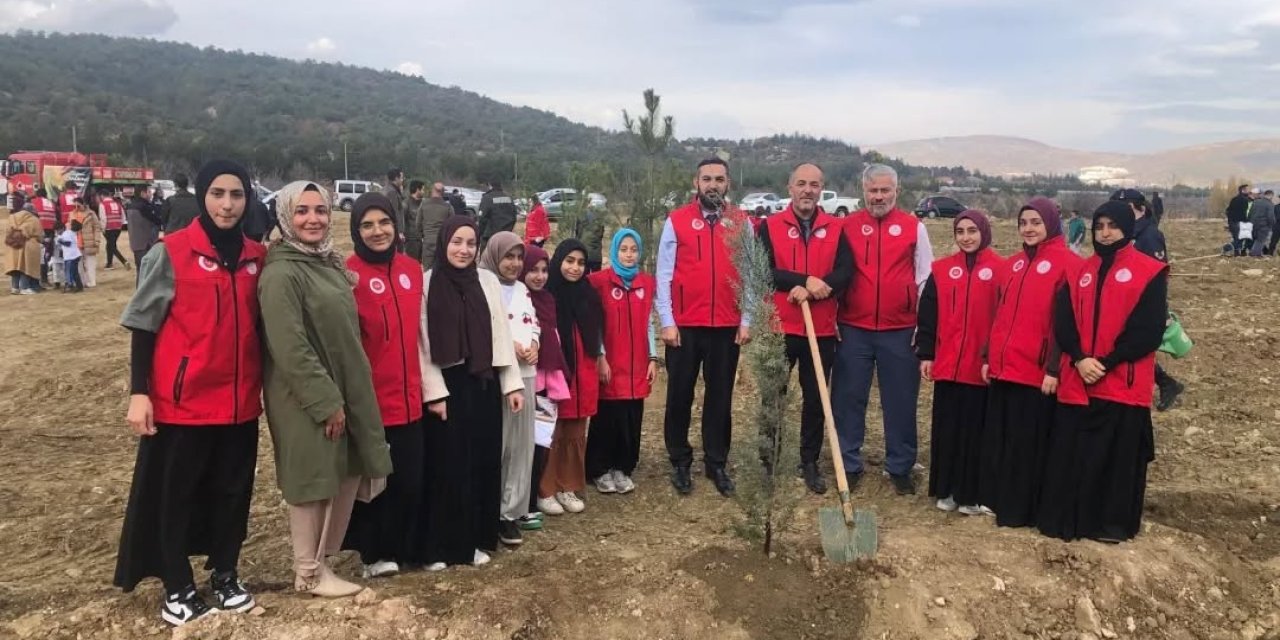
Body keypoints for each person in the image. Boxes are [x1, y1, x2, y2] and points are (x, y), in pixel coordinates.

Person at [114, 160, 266, 627]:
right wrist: (141, 392)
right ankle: (176, 585)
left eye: (236, 194)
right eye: (218, 193)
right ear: (202, 196)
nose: (227, 204)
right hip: (184, 404)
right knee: (174, 497)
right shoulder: (172, 252)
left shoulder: (257, 256)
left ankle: (225, 573)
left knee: (231, 493)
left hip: (239, 404)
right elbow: (144, 324)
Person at [259, 181, 392, 597]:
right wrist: (325, 400)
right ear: (285, 216)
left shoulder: (325, 263)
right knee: (312, 478)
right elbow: (290, 346)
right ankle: (308, 571)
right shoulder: (281, 272)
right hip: (305, 396)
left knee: (341, 472)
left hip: (343, 385)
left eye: (320, 210)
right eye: (302, 211)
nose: (313, 219)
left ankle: (323, 562)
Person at [1039, 200, 1167, 543]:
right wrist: (1080, 358)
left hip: (1121, 382)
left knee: (1116, 459)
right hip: (1079, 378)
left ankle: (1111, 525)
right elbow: (1063, 320)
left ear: (1127, 227)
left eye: (1113, 225)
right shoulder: (1079, 271)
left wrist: (1106, 363)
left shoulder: (1149, 271)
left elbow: (1148, 329)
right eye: (1100, 226)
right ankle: (1072, 520)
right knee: (1075, 456)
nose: (1105, 233)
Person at [417, 216, 526, 569]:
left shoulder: (487, 281)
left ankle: (475, 539)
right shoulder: (427, 283)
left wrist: (511, 383)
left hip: (482, 380)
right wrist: (434, 393)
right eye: (456, 242)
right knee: (447, 465)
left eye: (470, 243)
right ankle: (439, 546)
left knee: (481, 461)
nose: (464, 250)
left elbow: (499, 333)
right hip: (448, 386)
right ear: (444, 243)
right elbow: (422, 343)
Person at [832, 163, 934, 495]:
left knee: (901, 400)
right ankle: (848, 463)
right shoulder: (846, 226)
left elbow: (924, 279)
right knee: (848, 398)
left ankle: (900, 465)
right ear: (864, 191)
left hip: (900, 329)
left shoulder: (913, 227)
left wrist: (921, 326)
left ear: (896, 191)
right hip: (853, 327)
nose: (878, 197)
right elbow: (836, 274)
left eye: (884, 190)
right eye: (873, 190)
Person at [981, 196, 1083, 528]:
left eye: (1035, 223)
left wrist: (1053, 368)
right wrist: (988, 355)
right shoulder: (1011, 265)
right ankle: (1000, 500)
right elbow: (999, 315)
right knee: (1005, 441)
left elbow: (1065, 325)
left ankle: (1023, 509)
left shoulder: (1068, 264)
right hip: (1003, 367)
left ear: (1051, 223)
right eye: (1023, 223)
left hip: (1036, 372)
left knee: (1029, 445)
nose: (1028, 229)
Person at [340, 192, 425, 580]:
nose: (377, 232)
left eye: (384, 223)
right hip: (372, 401)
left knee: (410, 476)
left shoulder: (412, 270)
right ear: (357, 230)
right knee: (375, 483)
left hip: (412, 398)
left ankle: (409, 545)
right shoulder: (348, 275)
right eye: (367, 225)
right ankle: (375, 552)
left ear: (396, 225)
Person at [656, 158, 752, 497]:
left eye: (719, 179)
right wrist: (667, 321)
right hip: (685, 326)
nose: (713, 184)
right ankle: (680, 460)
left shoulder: (741, 222)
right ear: (696, 182)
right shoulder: (677, 221)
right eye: (707, 178)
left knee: (720, 397)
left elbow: (751, 274)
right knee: (680, 395)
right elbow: (664, 274)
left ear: (728, 184)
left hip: (726, 326)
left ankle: (716, 462)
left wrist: (747, 319)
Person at [756, 163, 853, 494]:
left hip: (820, 329)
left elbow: (845, 273)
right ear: (790, 187)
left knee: (815, 398)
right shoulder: (769, 226)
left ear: (821, 189)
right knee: (774, 397)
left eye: (814, 184)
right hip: (780, 327)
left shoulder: (837, 228)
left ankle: (808, 461)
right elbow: (766, 271)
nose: (807, 190)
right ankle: (769, 460)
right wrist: (802, 281)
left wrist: (814, 288)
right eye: (801, 183)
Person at [915, 211, 1003, 515]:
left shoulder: (1001, 271)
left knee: (976, 432)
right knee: (948, 429)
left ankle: (972, 493)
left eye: (972, 231)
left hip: (980, 368)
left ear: (984, 232)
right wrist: (926, 353)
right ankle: (948, 489)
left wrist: (992, 357)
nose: (966, 237)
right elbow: (927, 316)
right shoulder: (941, 270)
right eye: (960, 231)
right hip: (949, 365)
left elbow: (1004, 320)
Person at [586, 228, 659, 495]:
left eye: (633, 250)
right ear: (614, 251)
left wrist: (653, 357)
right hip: (611, 362)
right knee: (607, 417)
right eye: (623, 249)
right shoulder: (599, 282)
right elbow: (594, 323)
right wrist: (600, 355)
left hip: (637, 363)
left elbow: (649, 322)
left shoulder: (646, 283)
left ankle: (623, 466)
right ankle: (599, 468)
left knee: (631, 416)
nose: (629, 255)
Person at [477, 231, 540, 545]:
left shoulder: (523, 290)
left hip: (526, 373)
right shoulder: (482, 286)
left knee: (520, 446)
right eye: (508, 257)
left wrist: (535, 344)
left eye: (519, 257)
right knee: (497, 444)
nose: (514, 264)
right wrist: (508, 345)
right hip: (498, 373)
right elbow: (480, 327)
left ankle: (510, 513)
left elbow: (533, 322)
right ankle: (487, 508)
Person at [535, 239, 605, 514]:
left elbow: (597, 332)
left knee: (576, 428)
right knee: (552, 429)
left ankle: (568, 485)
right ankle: (546, 488)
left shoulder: (588, 293)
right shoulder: (548, 293)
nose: (575, 268)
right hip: (556, 372)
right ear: (559, 261)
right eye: (569, 261)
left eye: (580, 263)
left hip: (583, 370)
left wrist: (600, 356)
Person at [1110, 189, 1183, 410]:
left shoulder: (1149, 235)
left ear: (1138, 208)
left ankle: (1163, 383)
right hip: (1123, 298)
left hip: (1141, 302)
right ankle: (1166, 382)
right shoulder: (1127, 233)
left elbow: (1156, 275)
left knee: (1137, 345)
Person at [520, 244, 569, 522]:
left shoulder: (548, 299)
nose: (539, 276)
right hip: (530, 377)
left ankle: (534, 497)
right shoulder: (520, 299)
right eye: (532, 270)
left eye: (543, 270)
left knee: (541, 440)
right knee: (523, 442)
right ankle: (521, 501)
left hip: (549, 379)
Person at [5, 202, 43, 294]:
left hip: (13, 245)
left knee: (15, 267)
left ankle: (15, 287)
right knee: (26, 267)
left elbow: (7, 232)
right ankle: (24, 287)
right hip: (28, 245)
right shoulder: (34, 219)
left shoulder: (11, 217)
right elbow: (39, 235)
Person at [127, 185, 163, 272]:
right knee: (146, 271)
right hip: (145, 244)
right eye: (149, 192)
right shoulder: (144, 207)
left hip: (135, 243)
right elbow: (157, 220)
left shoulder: (130, 206)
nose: (150, 194)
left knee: (140, 270)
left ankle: (139, 285)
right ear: (143, 193)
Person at [417, 182, 453, 266]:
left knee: (427, 269)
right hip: (442, 242)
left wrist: (423, 235)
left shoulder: (424, 204)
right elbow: (452, 225)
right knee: (442, 269)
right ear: (443, 192)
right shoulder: (448, 207)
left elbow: (418, 223)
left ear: (433, 190)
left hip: (428, 241)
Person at [478, 179, 518, 246]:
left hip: (490, 237)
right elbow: (514, 216)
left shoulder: (487, 198)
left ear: (490, 185)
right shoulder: (509, 198)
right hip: (506, 236)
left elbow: (482, 218)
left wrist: (481, 233)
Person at [99, 188, 131, 270]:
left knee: (112, 247)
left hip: (108, 228)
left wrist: (103, 228)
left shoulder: (102, 204)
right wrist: (119, 225)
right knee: (110, 245)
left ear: (102, 196)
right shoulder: (118, 204)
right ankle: (109, 264)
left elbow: (103, 218)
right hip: (117, 228)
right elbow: (123, 216)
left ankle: (124, 261)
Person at [32, 188, 58, 284]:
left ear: (37, 195)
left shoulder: (34, 201)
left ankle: (38, 279)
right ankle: (45, 279)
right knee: (46, 255)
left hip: (38, 231)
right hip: (50, 232)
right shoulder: (51, 203)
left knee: (39, 256)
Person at [77, 198, 102, 288]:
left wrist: (97, 240)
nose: (77, 207)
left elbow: (97, 227)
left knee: (90, 262)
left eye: (78, 205)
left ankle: (92, 280)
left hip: (90, 241)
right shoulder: (73, 214)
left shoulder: (91, 214)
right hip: (79, 241)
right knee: (80, 263)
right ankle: (83, 281)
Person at [1247, 188, 1275, 259]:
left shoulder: (1256, 202)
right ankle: (1255, 254)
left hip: (1253, 224)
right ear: (1271, 196)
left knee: (1256, 239)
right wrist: (1271, 224)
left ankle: (1255, 252)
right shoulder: (1270, 204)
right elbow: (1270, 216)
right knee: (1261, 240)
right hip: (1264, 225)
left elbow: (1250, 213)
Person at [381, 168, 407, 243]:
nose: (403, 180)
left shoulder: (386, 189)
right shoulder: (392, 192)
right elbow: (395, 212)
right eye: (401, 178)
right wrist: (399, 232)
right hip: (393, 231)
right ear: (396, 178)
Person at [57, 220, 84, 293]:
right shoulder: (72, 233)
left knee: (69, 272)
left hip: (70, 256)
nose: (67, 223)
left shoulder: (67, 233)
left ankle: (70, 285)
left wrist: (60, 241)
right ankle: (79, 286)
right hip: (75, 255)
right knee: (75, 272)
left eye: (69, 223)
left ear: (71, 226)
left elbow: (68, 243)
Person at [403, 179, 426, 261]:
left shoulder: (424, 203)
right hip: (411, 241)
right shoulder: (406, 204)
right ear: (417, 190)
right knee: (412, 263)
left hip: (423, 240)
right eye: (422, 189)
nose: (424, 192)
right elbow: (402, 222)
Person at [1227, 183, 1252, 256]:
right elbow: (1246, 213)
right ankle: (1234, 252)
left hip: (1232, 222)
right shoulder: (1246, 200)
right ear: (1243, 190)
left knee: (1236, 238)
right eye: (1247, 190)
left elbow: (1228, 211)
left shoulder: (1234, 199)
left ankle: (1236, 252)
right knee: (1241, 239)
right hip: (1241, 222)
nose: (1249, 191)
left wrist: (1229, 221)